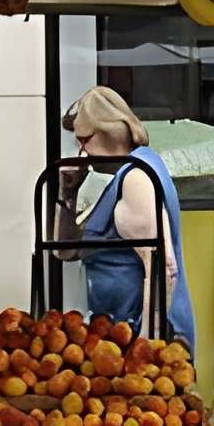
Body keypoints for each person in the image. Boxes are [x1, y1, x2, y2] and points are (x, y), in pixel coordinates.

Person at [61, 87, 196, 347]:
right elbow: (65, 251)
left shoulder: (135, 178)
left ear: (107, 131)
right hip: (122, 336)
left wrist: (146, 346)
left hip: (138, 337)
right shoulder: (136, 169)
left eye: (83, 140)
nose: (80, 150)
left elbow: (164, 268)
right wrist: (69, 193)